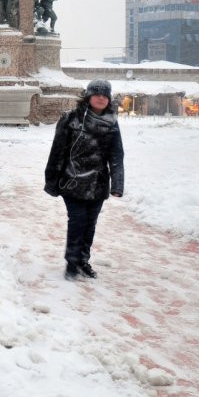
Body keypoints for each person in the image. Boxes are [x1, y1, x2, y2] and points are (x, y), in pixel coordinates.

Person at [44, 79, 124, 280]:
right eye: (96, 94)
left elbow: (116, 155)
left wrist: (118, 184)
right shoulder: (71, 119)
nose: (101, 98)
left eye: (105, 95)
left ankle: (83, 260)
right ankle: (72, 263)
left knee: (90, 224)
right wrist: (51, 180)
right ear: (88, 96)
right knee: (78, 221)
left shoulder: (112, 123)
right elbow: (57, 151)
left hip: (98, 183)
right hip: (72, 180)